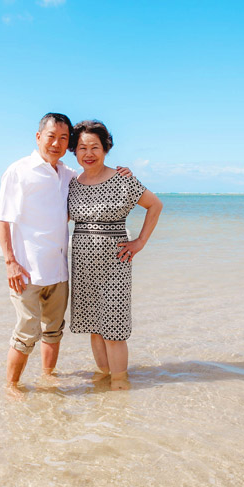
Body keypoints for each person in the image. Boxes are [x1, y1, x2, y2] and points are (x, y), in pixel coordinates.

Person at [0, 113, 131, 387]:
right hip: (26, 270)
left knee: (53, 331)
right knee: (25, 333)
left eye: (63, 138)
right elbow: (2, 218)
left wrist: (121, 174)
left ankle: (48, 377)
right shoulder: (18, 171)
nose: (56, 143)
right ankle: (12, 387)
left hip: (59, 269)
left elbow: (94, 179)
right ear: (38, 137)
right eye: (51, 137)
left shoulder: (67, 174)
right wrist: (9, 261)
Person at [67, 120, 163, 390]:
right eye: (82, 147)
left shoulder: (123, 179)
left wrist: (140, 241)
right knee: (94, 326)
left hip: (115, 265)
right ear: (74, 151)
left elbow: (155, 205)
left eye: (94, 147)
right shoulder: (72, 183)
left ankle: (120, 382)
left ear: (106, 148)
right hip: (83, 266)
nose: (89, 153)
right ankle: (103, 375)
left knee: (114, 327)